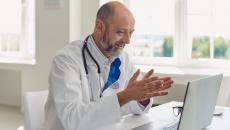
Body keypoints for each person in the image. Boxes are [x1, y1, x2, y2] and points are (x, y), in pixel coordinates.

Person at [44, 1, 174, 130]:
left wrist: (142, 98)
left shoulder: (123, 59)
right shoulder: (66, 60)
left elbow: (130, 106)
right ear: (100, 26)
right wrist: (127, 95)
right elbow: (72, 120)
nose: (127, 41)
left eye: (131, 33)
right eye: (121, 32)